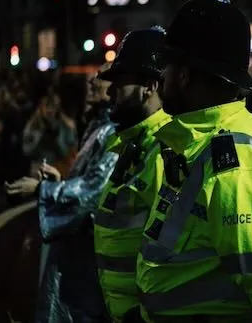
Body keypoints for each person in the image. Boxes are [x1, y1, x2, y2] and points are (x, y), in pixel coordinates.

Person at [135, 0, 252, 323]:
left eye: (167, 66)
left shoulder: (233, 163)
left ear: (185, 75)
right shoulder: (206, 142)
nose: (160, 78)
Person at [5, 64, 118, 323]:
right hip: (74, 252)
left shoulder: (111, 131)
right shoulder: (99, 127)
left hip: (87, 255)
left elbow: (93, 192)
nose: (92, 82)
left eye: (101, 77)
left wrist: (43, 189)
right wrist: (62, 180)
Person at [93, 27, 171, 323]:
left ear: (149, 86)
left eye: (120, 81)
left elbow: (168, 253)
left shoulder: (163, 152)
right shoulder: (134, 145)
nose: (109, 91)